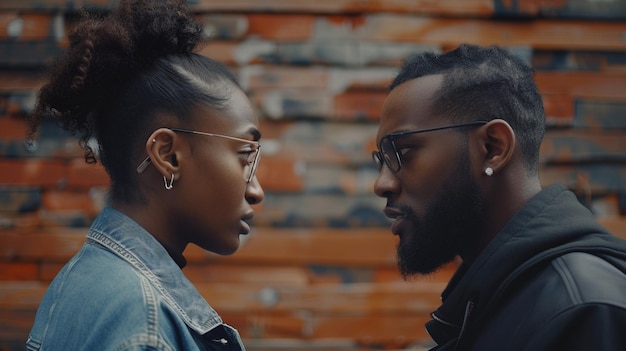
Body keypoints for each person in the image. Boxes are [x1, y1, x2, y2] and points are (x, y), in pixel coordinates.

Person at [25, 0, 264, 350]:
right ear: (168, 156)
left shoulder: (84, 282)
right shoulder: (143, 323)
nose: (256, 190)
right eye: (246, 156)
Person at [371, 44, 626, 350]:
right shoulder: (496, 300)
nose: (382, 183)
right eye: (382, 159)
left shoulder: (585, 310)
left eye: (403, 152)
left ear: (493, 148)